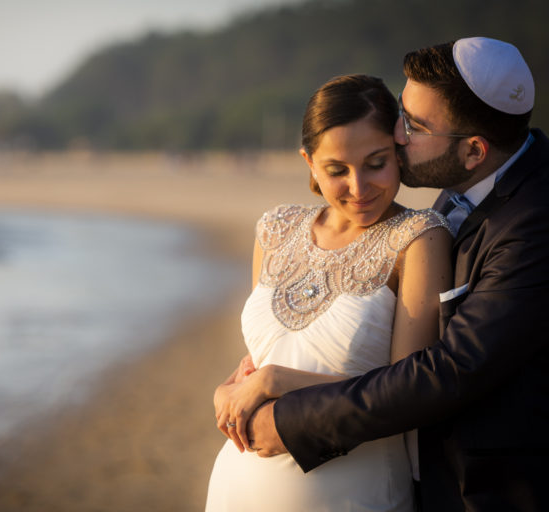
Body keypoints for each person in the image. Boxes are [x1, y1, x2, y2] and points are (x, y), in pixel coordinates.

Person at [246, 37, 549, 511]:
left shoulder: (536, 222)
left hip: (494, 493)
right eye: (402, 115)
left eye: (415, 125)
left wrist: (286, 409)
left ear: (474, 151)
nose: (398, 134)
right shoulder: (464, 182)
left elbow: (450, 370)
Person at [204, 74, 452, 511]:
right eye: (337, 170)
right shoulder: (276, 230)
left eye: (376, 163)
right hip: (237, 486)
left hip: (357, 491)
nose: (359, 188)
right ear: (310, 163)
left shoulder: (418, 237)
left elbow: (409, 393)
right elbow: (266, 356)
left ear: (397, 152)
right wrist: (226, 392)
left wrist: (276, 381)